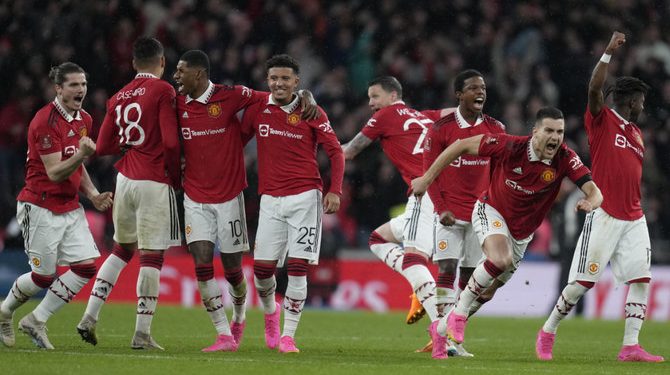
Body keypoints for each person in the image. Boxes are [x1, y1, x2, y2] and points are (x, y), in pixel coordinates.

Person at [411, 107, 603, 349]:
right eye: (549, 130)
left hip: (521, 234)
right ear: (535, 132)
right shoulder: (509, 146)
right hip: (490, 210)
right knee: (500, 259)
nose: (555, 137)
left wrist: (590, 202)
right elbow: (459, 146)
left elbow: (596, 192)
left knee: (488, 292)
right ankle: (457, 316)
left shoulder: (565, 158)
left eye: (560, 132)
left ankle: (440, 329)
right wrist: (427, 178)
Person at [174, 50, 319, 352]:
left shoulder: (232, 95)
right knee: (202, 264)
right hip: (194, 195)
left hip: (229, 195)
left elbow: (275, 93)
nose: (176, 77)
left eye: (181, 71)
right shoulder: (175, 101)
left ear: (198, 74)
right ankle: (224, 334)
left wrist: (305, 94)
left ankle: (247, 313)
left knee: (233, 271)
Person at [536, 32, 665, 363]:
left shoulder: (636, 134)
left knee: (641, 278)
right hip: (605, 214)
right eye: (640, 101)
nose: (643, 106)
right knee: (581, 284)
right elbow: (594, 89)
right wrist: (607, 52)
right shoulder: (602, 119)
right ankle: (549, 329)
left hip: (634, 217)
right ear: (628, 100)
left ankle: (630, 346)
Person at [76, 37, 181, 350]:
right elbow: (173, 143)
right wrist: (174, 176)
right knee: (152, 256)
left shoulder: (118, 96)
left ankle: (89, 317)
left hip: (125, 179)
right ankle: (142, 334)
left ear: (134, 63)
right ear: (162, 62)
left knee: (121, 249)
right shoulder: (164, 90)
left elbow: (104, 146)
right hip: (153, 180)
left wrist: (130, 145)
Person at [0, 62, 113, 349]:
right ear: (58, 88)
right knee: (42, 276)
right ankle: (4, 311)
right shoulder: (44, 122)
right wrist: (82, 155)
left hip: (69, 206)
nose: (81, 89)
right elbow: (55, 171)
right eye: (74, 84)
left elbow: (78, 167)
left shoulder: (84, 118)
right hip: (40, 205)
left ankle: (36, 320)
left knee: (87, 266)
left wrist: (93, 193)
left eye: (84, 84)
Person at [241, 54, 344, 353]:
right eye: (274, 78)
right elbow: (236, 139)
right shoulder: (260, 107)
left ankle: (288, 336)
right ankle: (271, 313)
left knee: (298, 267)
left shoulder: (311, 110)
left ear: (296, 82)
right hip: (270, 199)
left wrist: (334, 190)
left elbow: (335, 153)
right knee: (262, 271)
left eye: (285, 78)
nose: (279, 83)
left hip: (304, 197)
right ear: (267, 80)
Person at [341, 76, 450, 359]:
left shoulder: (386, 116)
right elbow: (453, 113)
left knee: (415, 259)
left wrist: (319, 143)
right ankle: (421, 290)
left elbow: (349, 151)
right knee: (379, 238)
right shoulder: (425, 116)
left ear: (392, 96)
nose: (370, 103)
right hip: (451, 194)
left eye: (374, 96)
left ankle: (440, 330)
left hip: (425, 191)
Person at [416, 69, 506, 357]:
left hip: (480, 215)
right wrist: (441, 209)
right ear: (458, 94)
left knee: (470, 278)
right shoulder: (441, 128)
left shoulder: (496, 128)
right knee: (446, 269)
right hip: (450, 214)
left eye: (482, 87)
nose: (480, 92)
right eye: (472, 88)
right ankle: (441, 338)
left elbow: (498, 174)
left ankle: (453, 337)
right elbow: (429, 174)